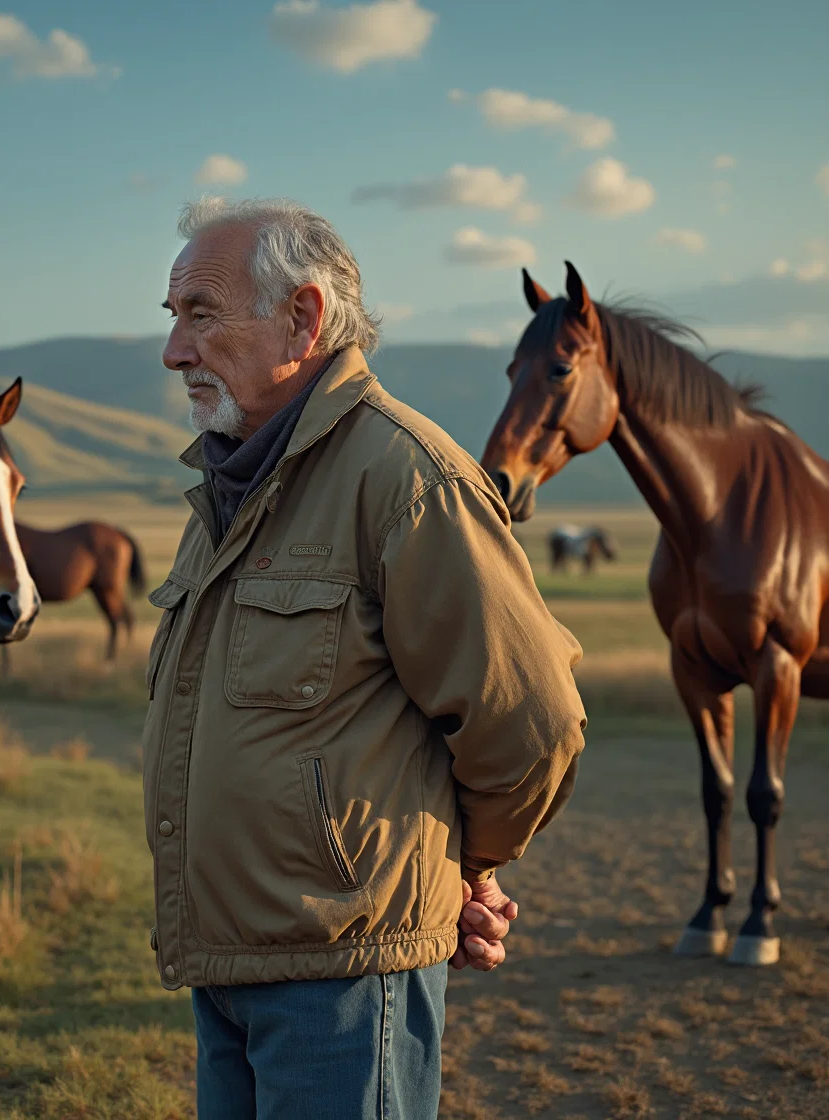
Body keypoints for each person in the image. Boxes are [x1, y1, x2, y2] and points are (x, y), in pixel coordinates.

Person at [143, 197, 587, 1119]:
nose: (174, 352)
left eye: (202, 315)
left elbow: (532, 718)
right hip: (228, 969)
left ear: (302, 319)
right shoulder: (229, 486)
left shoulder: (406, 480)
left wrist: (466, 868)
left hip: (341, 981)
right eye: (173, 317)